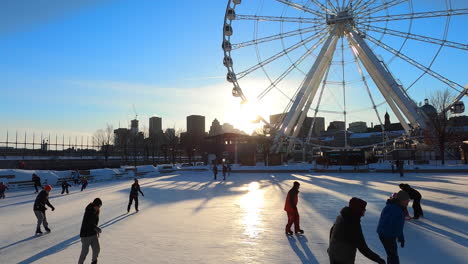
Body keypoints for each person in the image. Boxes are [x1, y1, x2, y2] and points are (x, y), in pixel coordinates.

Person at [328, 197, 386, 264]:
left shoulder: (342, 216)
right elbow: (362, 247)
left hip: (333, 254)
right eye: (363, 208)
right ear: (358, 209)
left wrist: (331, 247)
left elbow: (332, 230)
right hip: (342, 259)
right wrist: (378, 259)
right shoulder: (353, 223)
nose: (364, 210)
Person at [377, 190, 410, 264]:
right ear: (402, 200)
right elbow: (390, 224)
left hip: (387, 235)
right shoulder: (394, 209)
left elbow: (398, 226)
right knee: (393, 256)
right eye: (407, 200)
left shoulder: (397, 207)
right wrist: (394, 236)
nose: (408, 202)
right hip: (386, 235)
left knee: (392, 255)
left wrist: (401, 237)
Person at [78, 198, 103, 264]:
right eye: (98, 206)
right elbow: (89, 223)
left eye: (100, 206)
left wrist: (96, 230)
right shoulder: (89, 211)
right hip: (86, 235)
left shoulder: (97, 211)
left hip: (93, 234)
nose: (99, 208)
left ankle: (94, 262)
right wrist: (96, 228)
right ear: (95, 205)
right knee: (84, 252)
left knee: (96, 249)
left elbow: (95, 222)